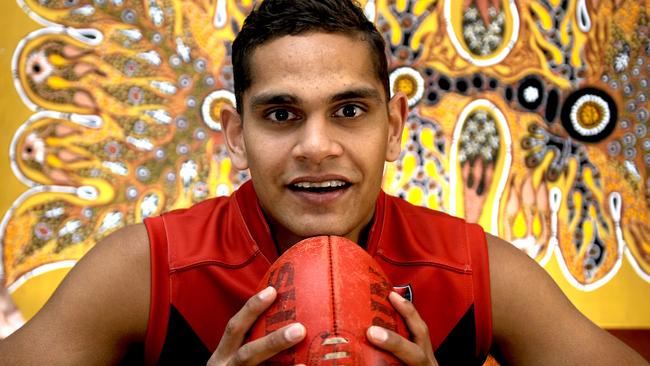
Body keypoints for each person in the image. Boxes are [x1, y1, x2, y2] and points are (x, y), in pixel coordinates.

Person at [0, 0, 647, 365]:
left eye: (349, 111)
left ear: (394, 126)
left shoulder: (472, 271)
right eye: (281, 115)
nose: (317, 147)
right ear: (234, 134)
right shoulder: (149, 268)